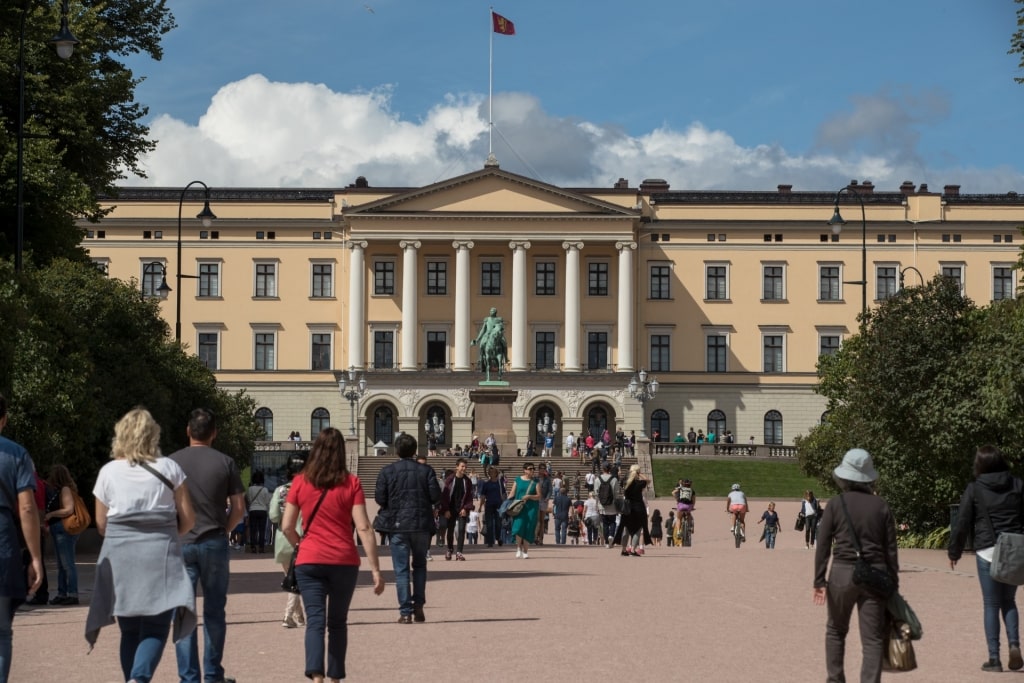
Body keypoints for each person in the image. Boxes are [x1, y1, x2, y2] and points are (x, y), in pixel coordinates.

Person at [86, 407, 197, 683]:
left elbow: (101, 524)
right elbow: (189, 519)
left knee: (130, 630)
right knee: (157, 627)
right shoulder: (169, 468)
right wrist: (169, 534)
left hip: (121, 556)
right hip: (159, 554)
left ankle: (133, 679)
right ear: (153, 435)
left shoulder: (108, 472)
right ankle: (139, 677)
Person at [281, 428, 384, 682]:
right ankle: (335, 677)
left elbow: (286, 525)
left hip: (309, 559)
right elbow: (363, 527)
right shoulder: (352, 483)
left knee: (315, 621)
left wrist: (300, 545)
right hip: (343, 561)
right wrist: (375, 569)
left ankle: (317, 677)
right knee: (337, 622)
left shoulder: (300, 482)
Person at [168, 407, 246, 683]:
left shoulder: (171, 463)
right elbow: (238, 507)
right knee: (214, 611)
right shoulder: (226, 462)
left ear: (188, 431)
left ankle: (189, 678)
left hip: (180, 542)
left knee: (182, 612)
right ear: (214, 433)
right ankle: (212, 675)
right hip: (213, 541)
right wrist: (225, 529)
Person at [813, 448, 898, 683]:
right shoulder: (881, 506)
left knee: (835, 630)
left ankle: (835, 679)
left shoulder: (835, 504)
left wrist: (819, 579)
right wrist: (894, 583)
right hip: (875, 574)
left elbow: (823, 545)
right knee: (872, 639)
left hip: (841, 571)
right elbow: (891, 550)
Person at [950, 445, 1024, 673]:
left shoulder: (975, 488)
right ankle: (1014, 645)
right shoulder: (1018, 484)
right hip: (1013, 549)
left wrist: (955, 551)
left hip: (987, 551)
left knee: (991, 604)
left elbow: (962, 521)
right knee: (1009, 601)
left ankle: (994, 658)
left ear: (980, 464)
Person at [375, 433, 441, 623]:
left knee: (401, 569)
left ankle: (405, 612)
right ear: (414, 451)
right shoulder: (426, 471)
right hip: (421, 524)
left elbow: (380, 498)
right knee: (420, 566)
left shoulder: (387, 471)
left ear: (397, 450)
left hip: (397, 525)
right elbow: (436, 496)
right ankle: (418, 605)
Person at [0, 393, 43, 683]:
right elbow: (27, 507)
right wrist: (36, 558)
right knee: (1, 631)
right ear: (3, 419)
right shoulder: (16, 453)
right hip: (2, 542)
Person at [269, 466, 305, 629]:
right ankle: (288, 615)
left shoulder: (280, 490)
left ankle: (299, 616)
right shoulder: (308, 489)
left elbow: (274, 515)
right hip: (302, 536)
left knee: (291, 578)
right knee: (296, 581)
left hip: (282, 538)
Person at [42, 464, 81, 605]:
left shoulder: (65, 489)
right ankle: (62, 592)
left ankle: (72, 593)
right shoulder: (60, 490)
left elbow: (68, 510)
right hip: (59, 529)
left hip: (63, 529)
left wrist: (51, 514)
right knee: (62, 564)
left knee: (67, 563)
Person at [439, 457, 473, 561]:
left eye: (465, 467)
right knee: (450, 530)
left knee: (462, 530)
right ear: (457, 467)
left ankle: (459, 552)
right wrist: (446, 509)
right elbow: (444, 496)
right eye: (462, 466)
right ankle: (449, 549)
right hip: (451, 508)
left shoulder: (467, 481)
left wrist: (466, 508)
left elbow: (469, 496)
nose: (464, 468)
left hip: (462, 508)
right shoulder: (450, 479)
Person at [508, 463, 541, 558]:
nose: (532, 471)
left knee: (529, 528)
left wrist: (529, 496)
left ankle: (525, 551)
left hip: (531, 509)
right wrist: (506, 503)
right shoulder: (518, 480)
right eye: (530, 469)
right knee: (518, 527)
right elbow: (512, 493)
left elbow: (539, 496)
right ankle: (518, 548)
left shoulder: (535, 482)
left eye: (533, 469)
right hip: (519, 508)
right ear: (525, 470)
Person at [618, 465, 648, 556]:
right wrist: (640, 474)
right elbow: (647, 480)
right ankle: (633, 550)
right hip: (638, 508)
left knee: (626, 530)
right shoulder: (639, 483)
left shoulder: (625, 482)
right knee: (637, 530)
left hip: (627, 508)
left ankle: (623, 550)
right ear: (637, 472)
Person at [245, 470, 272, 553]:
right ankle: (261, 547)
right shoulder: (265, 489)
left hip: (253, 510)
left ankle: (253, 547)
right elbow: (267, 501)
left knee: (253, 529)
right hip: (263, 511)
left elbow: (248, 500)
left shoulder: (250, 489)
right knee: (262, 530)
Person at [478, 467, 504, 547]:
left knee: (498, 523)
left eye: (493, 472)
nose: (491, 473)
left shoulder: (500, 483)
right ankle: (490, 541)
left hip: (498, 505)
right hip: (489, 505)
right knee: (489, 524)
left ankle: (498, 537)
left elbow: (503, 494)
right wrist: (480, 506)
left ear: (496, 473)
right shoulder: (486, 484)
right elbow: (483, 496)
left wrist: (505, 504)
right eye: (490, 472)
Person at [595, 463, 619, 548]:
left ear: (602, 469)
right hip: (612, 504)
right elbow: (616, 493)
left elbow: (596, 494)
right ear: (610, 469)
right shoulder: (614, 479)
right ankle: (611, 536)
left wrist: (597, 505)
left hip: (602, 504)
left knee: (604, 524)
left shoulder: (598, 479)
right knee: (613, 522)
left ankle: (606, 542)